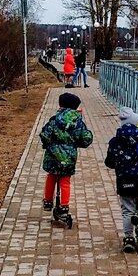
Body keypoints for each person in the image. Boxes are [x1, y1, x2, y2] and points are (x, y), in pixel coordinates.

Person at [104, 106, 138, 253]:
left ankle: (128, 239)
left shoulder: (115, 142)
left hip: (124, 180)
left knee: (127, 210)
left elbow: (109, 162)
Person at [39, 91, 93, 226]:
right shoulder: (78, 122)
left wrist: (48, 144)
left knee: (51, 176)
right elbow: (85, 138)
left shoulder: (54, 120)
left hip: (53, 155)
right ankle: (64, 206)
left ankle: (48, 201)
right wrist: (77, 143)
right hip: (69, 156)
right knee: (65, 181)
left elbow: (45, 134)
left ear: (60, 106)